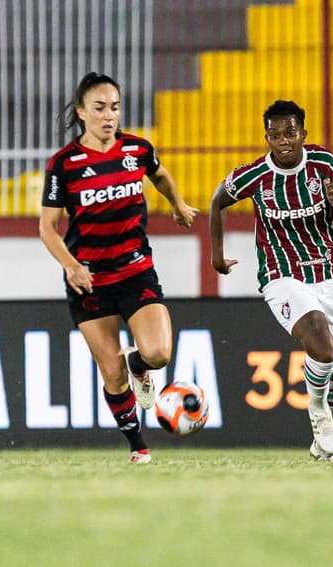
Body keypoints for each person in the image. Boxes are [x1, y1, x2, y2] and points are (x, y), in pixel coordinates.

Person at [40, 72, 198, 463]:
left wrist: (177, 204)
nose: (109, 116)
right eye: (99, 108)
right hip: (89, 280)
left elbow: (159, 175)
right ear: (81, 112)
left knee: (159, 353)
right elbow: (47, 227)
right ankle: (138, 447)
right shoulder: (65, 164)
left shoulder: (138, 150)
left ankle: (139, 364)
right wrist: (71, 266)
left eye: (115, 107)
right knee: (112, 375)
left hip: (135, 269)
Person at [209, 100, 333, 462]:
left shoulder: (324, 164)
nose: (283, 141)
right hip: (282, 274)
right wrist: (216, 255)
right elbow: (217, 202)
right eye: (275, 135)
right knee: (321, 344)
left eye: (290, 133)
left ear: (303, 135)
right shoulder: (255, 176)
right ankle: (316, 411)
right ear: (266, 137)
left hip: (331, 271)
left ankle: (324, 441)